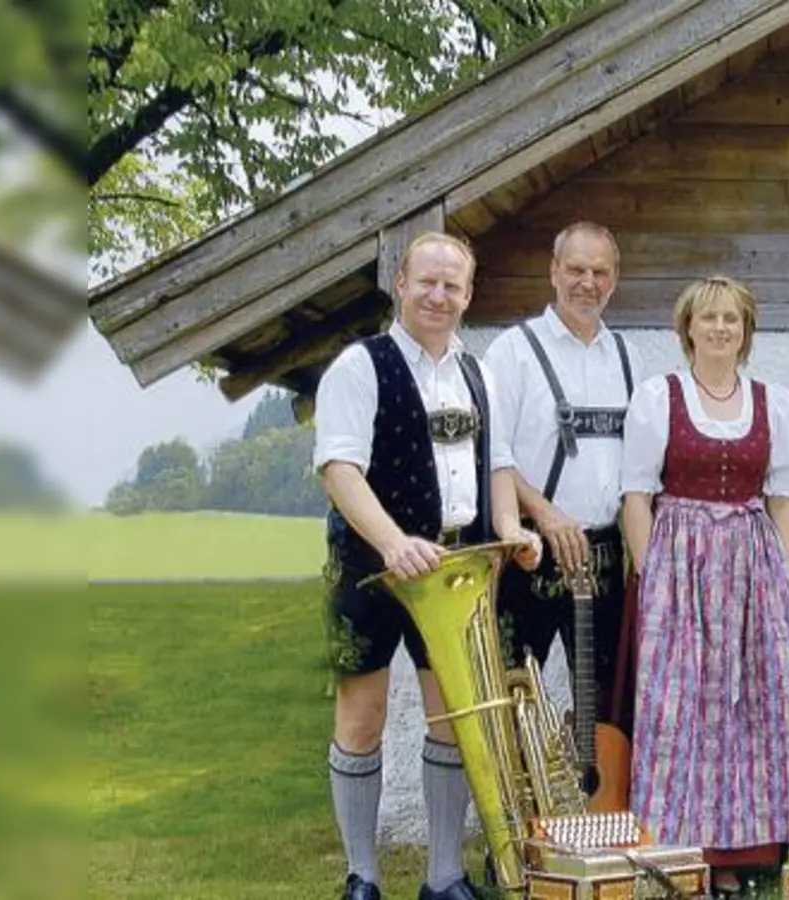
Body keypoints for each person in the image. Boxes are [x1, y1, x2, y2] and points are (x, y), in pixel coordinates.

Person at [315, 231, 541, 900]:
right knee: (363, 717)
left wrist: (508, 529)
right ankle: (363, 877)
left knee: (454, 716)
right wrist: (392, 542)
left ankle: (444, 876)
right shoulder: (360, 366)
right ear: (401, 284)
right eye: (428, 282)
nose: (440, 296)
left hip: (456, 569)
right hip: (371, 567)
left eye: (453, 285)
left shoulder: (480, 373)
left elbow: (498, 464)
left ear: (469, 294)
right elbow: (339, 470)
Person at [620, 276, 789, 893]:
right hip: (680, 565)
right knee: (682, 707)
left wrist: (780, 578)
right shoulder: (660, 396)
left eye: (731, 319)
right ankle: (682, 851)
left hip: (753, 566)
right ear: (688, 329)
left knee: (750, 706)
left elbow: (785, 496)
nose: (720, 329)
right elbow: (636, 494)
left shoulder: (773, 402)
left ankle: (737, 852)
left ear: (746, 330)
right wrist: (654, 577)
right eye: (708, 318)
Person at [482, 221, 643, 731]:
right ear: (554, 273)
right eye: (575, 269)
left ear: (614, 280)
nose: (587, 282)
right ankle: (519, 810)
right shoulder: (513, 351)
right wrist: (543, 513)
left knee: (606, 708)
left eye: (599, 272)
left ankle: (596, 804)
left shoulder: (628, 357)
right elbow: (490, 453)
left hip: (602, 554)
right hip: (530, 551)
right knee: (514, 696)